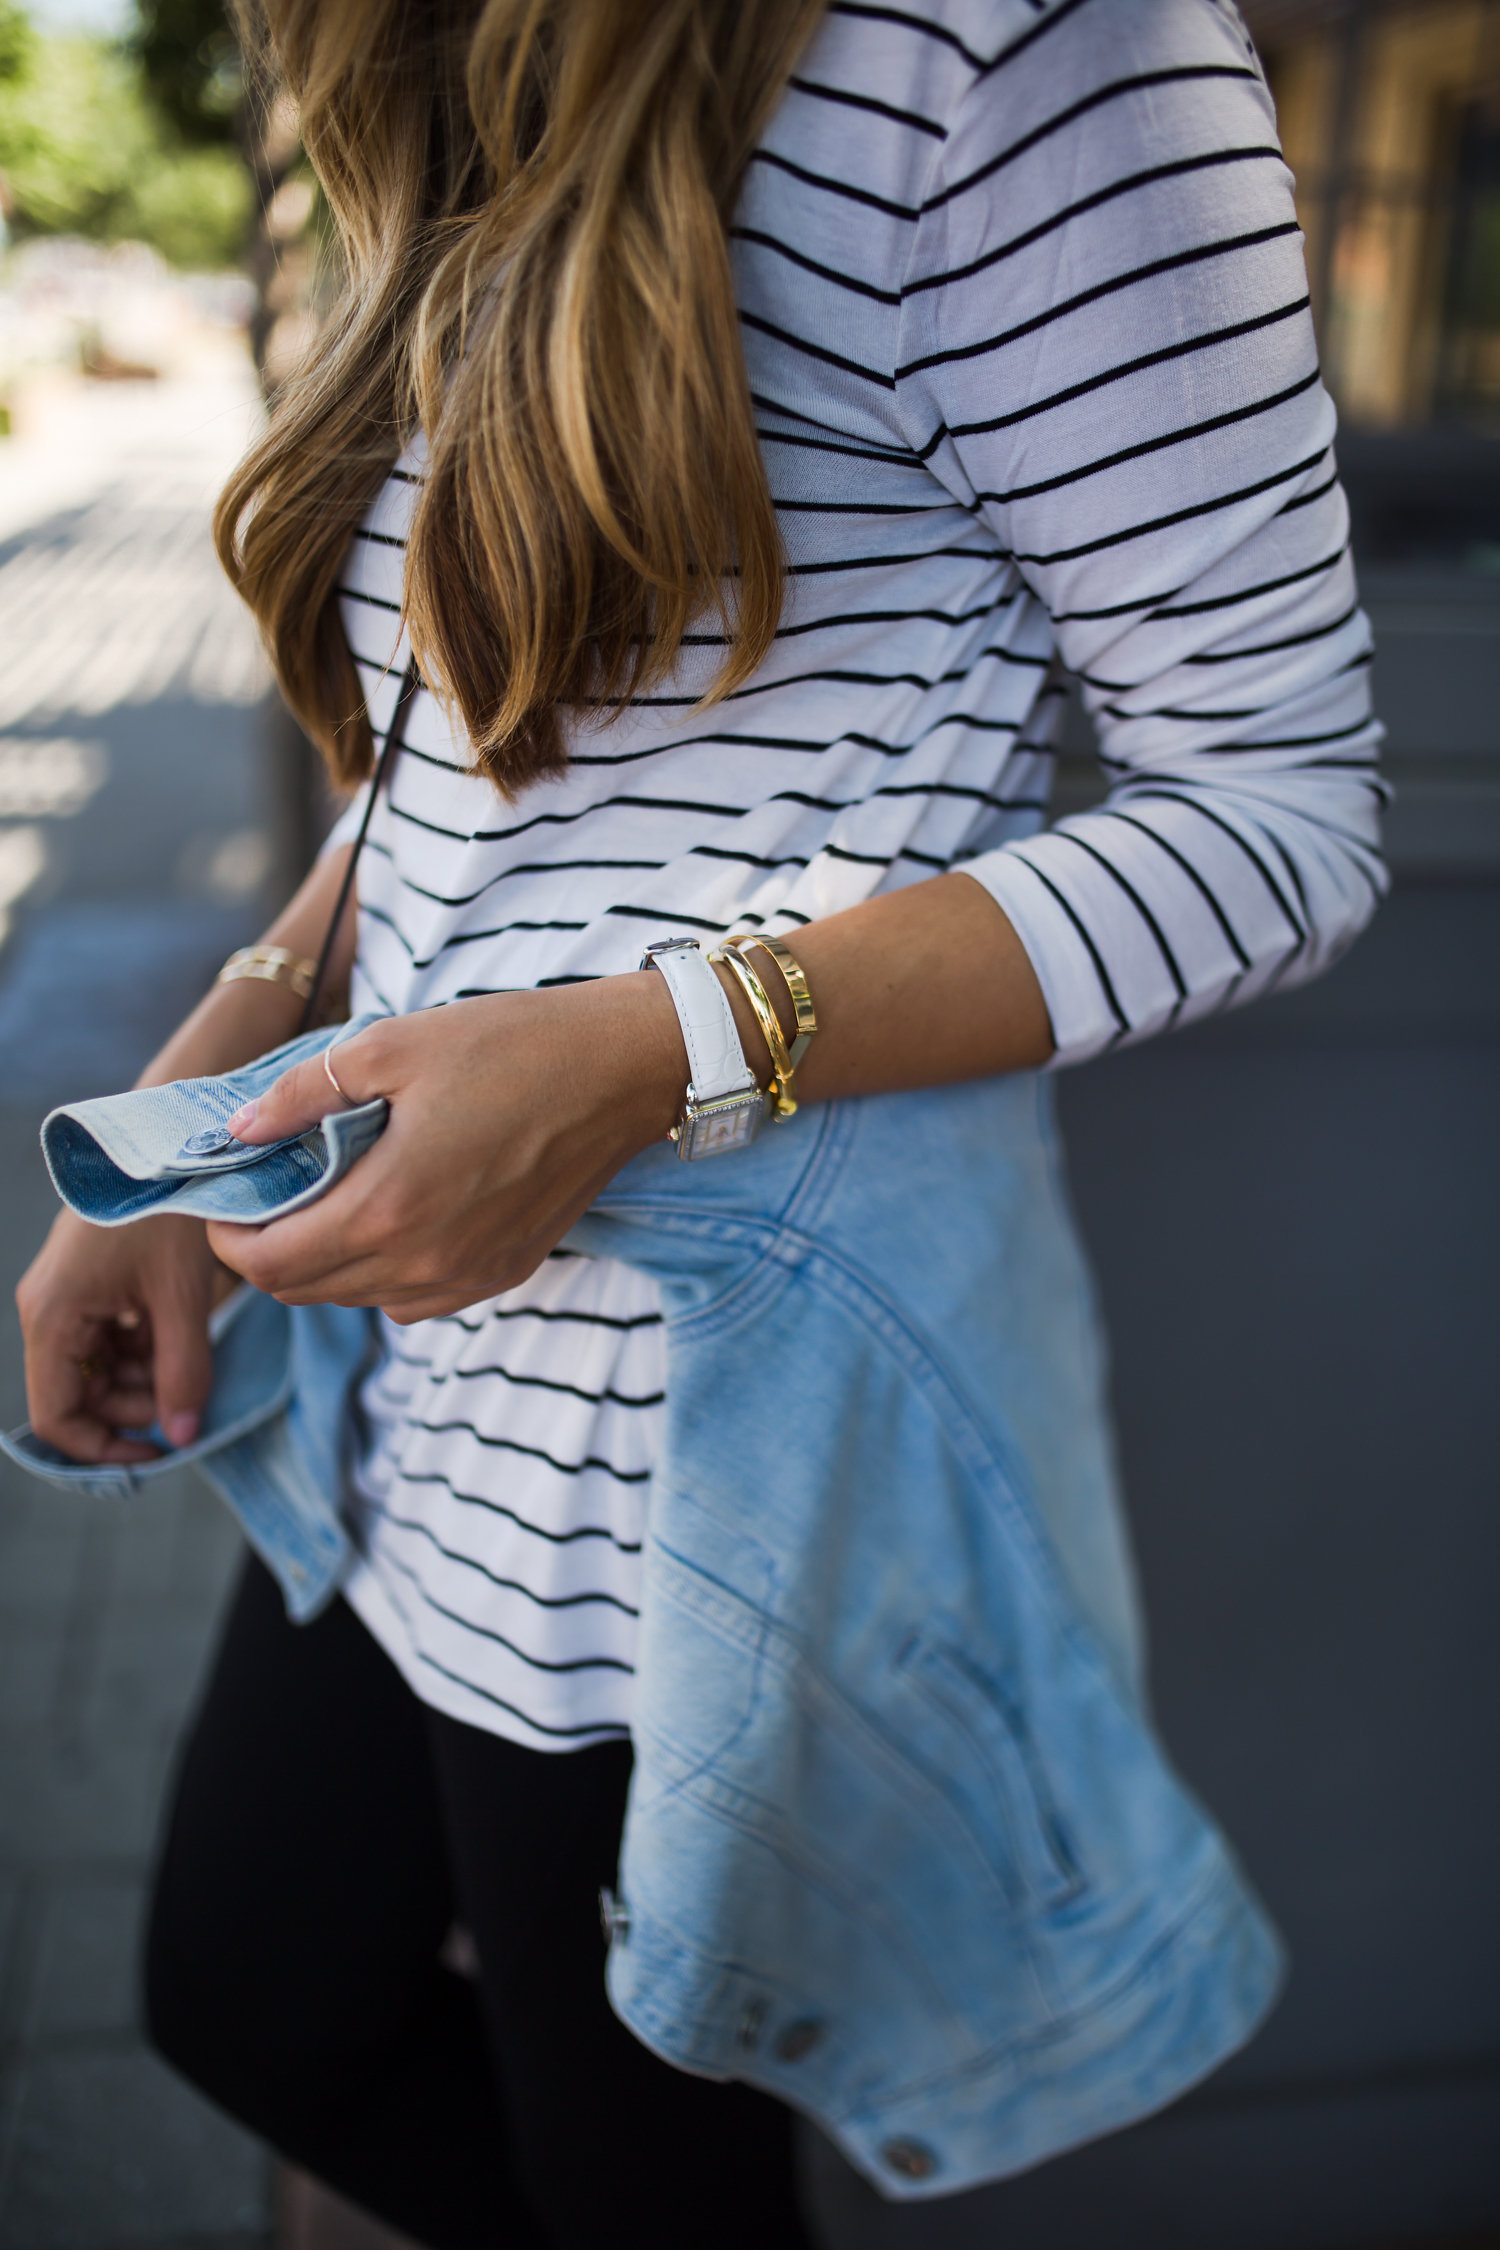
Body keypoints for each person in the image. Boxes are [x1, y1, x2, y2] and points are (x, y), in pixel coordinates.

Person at [15, 1, 1384, 2243]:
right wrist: (200, 1100)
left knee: (637, 2180)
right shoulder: (472, 61)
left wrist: (651, 1053)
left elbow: (1284, 811)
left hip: (696, 1458)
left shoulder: (1030, 47)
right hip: (415, 1400)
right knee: (249, 2004)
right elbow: (466, 762)